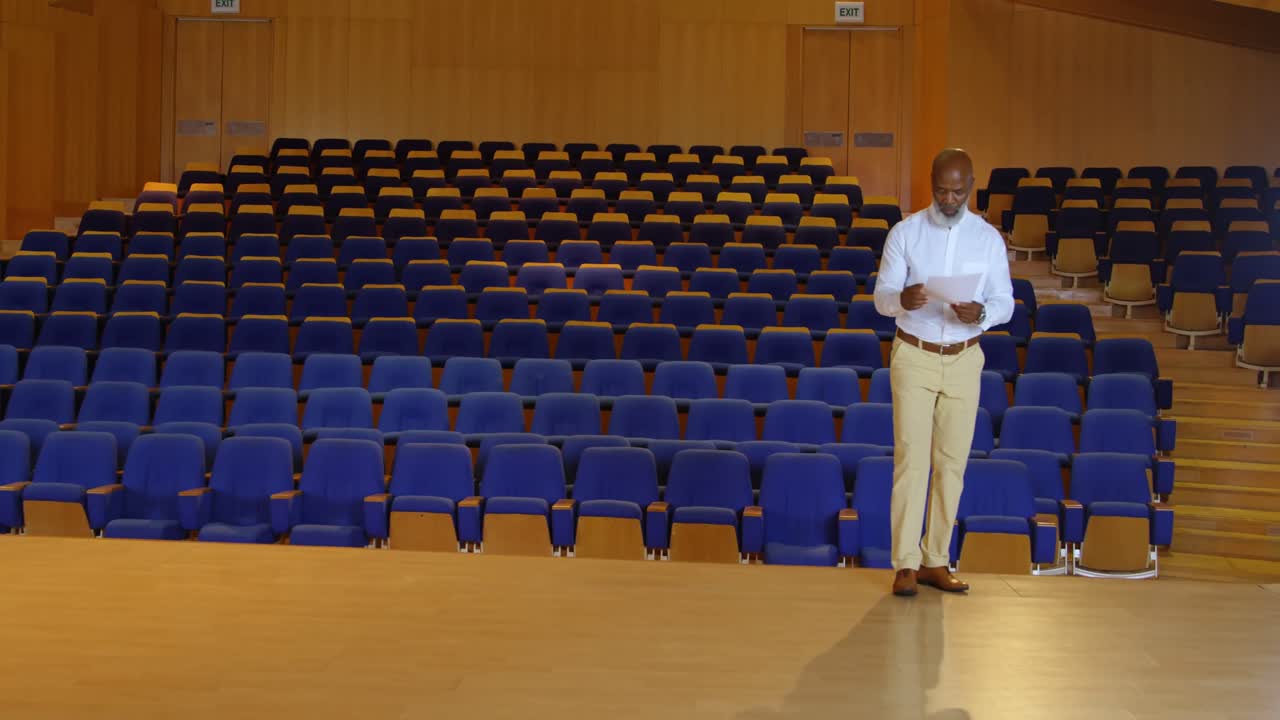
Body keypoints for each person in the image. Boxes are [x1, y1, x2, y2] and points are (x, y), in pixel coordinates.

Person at [873, 149, 1014, 597]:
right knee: (911, 460)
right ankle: (905, 565)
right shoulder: (905, 233)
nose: (949, 198)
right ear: (929, 183)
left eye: (958, 190)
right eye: (941, 190)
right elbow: (881, 297)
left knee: (952, 464)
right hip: (913, 352)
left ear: (972, 185)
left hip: (964, 356)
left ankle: (936, 559)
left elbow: (1006, 301)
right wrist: (903, 298)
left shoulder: (987, 239)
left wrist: (983, 314)